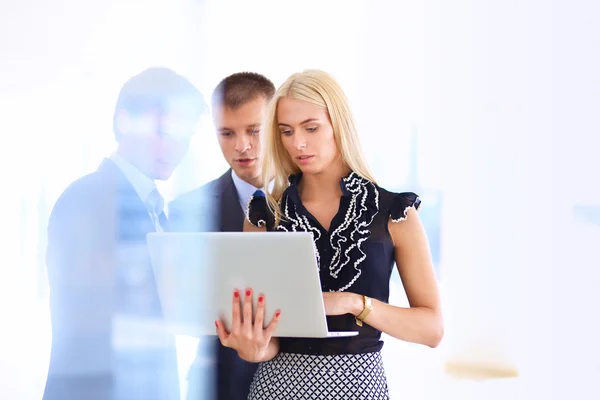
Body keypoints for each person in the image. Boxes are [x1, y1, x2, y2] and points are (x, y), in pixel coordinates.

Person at [214, 69, 444, 399]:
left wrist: (353, 304)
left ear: (339, 124)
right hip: (276, 388)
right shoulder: (263, 215)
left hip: (360, 389)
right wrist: (253, 348)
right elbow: (266, 342)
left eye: (311, 127)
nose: (298, 143)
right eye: (286, 131)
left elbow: (432, 329)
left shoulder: (395, 212)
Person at [43, 67, 206, 400]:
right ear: (124, 122)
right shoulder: (87, 197)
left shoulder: (156, 207)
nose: (177, 147)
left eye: (185, 135)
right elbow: (93, 316)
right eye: (165, 130)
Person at [169, 72, 275, 400]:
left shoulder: (317, 201)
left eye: (254, 131)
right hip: (220, 384)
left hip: (301, 380)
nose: (241, 146)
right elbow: (178, 308)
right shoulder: (187, 210)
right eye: (227, 133)